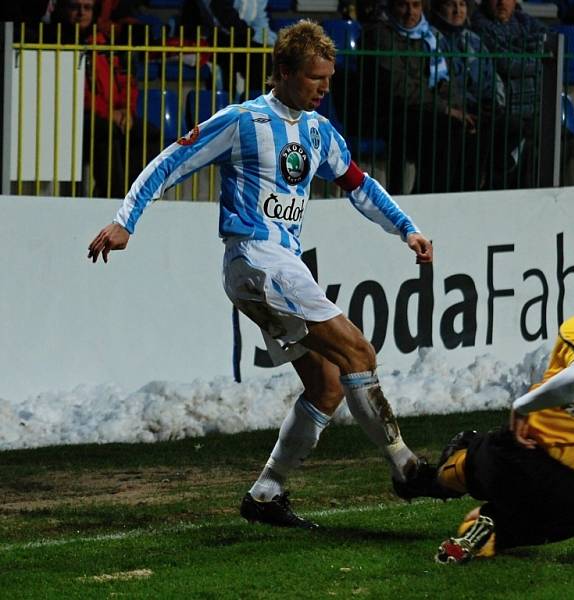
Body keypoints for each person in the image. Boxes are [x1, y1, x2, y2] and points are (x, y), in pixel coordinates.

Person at [87, 20, 435, 529]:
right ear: (285, 73)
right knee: (359, 353)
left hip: (278, 266)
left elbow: (359, 186)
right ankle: (407, 468)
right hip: (255, 258)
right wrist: (125, 221)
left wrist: (407, 229)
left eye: (329, 78)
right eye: (315, 78)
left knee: (327, 385)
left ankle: (266, 494)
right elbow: (171, 161)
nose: (324, 88)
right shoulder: (242, 120)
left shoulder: (319, 131)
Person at [403, 253, 574, 563]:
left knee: (464, 451)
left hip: (523, 457)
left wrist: (522, 406)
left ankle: (429, 482)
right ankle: (493, 530)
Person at [360, 0, 485, 194]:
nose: (410, 12)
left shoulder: (428, 36)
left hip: (426, 111)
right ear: (392, 7)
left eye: (416, 5)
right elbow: (400, 89)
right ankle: (427, 196)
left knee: (471, 129)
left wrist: (458, 109)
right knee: (446, 129)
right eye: (403, 5)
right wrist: (447, 110)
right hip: (391, 114)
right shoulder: (379, 35)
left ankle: (460, 197)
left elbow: (445, 81)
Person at [52, 0, 159, 198]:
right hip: (75, 116)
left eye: (87, 8)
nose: (81, 13)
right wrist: (109, 114)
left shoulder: (103, 41)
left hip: (113, 113)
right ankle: (112, 196)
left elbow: (126, 79)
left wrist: (127, 110)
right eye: (75, 7)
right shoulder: (57, 41)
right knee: (106, 131)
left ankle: (135, 198)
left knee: (149, 134)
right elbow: (73, 91)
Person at [428, 0, 522, 189]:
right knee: (477, 131)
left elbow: (492, 76)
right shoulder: (432, 39)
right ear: (439, 8)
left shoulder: (474, 39)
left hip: (483, 108)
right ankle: (468, 191)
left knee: (514, 126)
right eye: (450, 5)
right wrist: (469, 105)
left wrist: (495, 101)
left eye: (462, 5)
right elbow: (444, 83)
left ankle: (494, 189)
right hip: (457, 110)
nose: (457, 10)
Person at [470, 0, 548, 188]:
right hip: (502, 111)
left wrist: (524, 57)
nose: (501, 2)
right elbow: (506, 64)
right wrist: (537, 60)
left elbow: (549, 44)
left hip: (532, 107)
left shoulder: (527, 23)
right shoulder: (479, 26)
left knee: (564, 139)